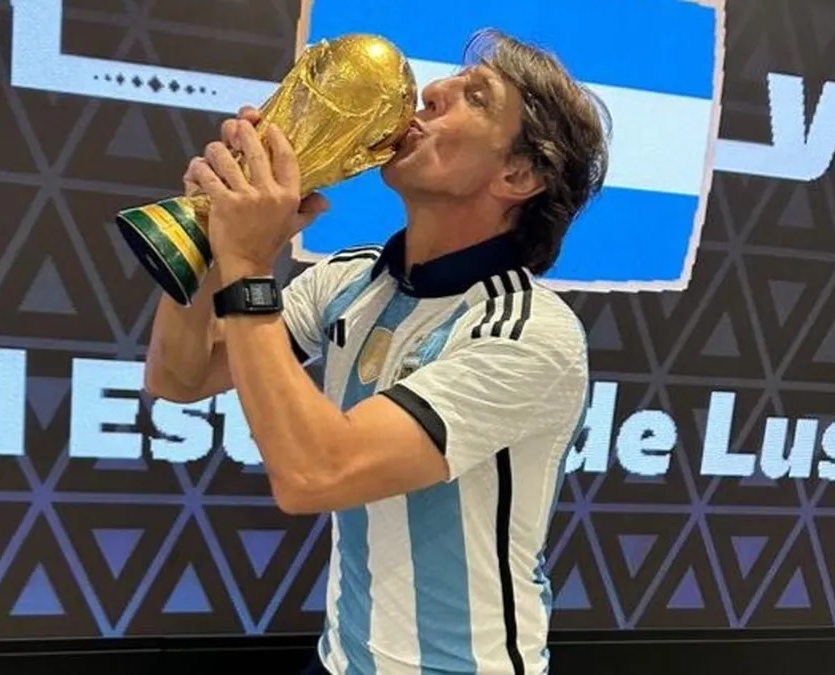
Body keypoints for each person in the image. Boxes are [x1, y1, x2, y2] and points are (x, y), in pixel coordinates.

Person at [144, 28, 609, 675]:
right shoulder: (350, 279)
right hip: (342, 659)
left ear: (519, 174)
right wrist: (209, 230)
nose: (433, 91)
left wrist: (248, 263)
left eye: (475, 96)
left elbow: (314, 474)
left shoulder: (529, 332)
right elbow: (178, 376)